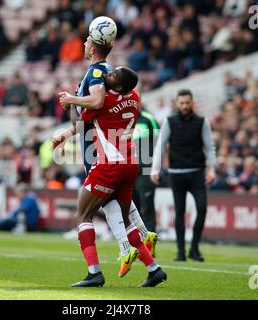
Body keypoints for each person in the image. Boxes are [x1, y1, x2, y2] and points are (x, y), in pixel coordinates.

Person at [56, 23, 158, 277]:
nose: (84, 43)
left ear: (93, 45)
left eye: (88, 40)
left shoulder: (99, 77)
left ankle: (99, 269)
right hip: (123, 157)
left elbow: (93, 107)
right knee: (120, 211)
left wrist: (72, 101)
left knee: (84, 214)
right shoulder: (128, 94)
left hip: (102, 155)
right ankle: (152, 265)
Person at [151, 89, 217, 262]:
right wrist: (155, 169)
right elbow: (160, 146)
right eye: (181, 103)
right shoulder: (169, 122)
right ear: (177, 103)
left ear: (192, 103)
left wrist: (211, 170)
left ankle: (194, 249)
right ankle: (181, 252)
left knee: (202, 209)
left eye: (187, 103)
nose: (185, 106)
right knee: (179, 212)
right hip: (176, 173)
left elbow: (210, 147)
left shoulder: (202, 122)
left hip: (196, 173)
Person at [132, 108, 160, 232]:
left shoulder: (148, 119)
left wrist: (157, 167)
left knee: (147, 206)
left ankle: (150, 242)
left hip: (145, 170)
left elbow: (160, 142)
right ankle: (135, 243)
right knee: (131, 209)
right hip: (128, 171)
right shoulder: (122, 119)